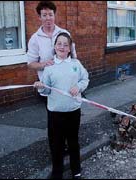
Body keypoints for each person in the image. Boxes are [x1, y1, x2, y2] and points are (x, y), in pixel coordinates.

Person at [34, 32, 89, 179]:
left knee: (73, 142)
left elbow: (85, 79)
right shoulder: (50, 67)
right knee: (56, 144)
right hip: (55, 113)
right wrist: (40, 86)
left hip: (73, 111)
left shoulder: (76, 64)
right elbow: (45, 90)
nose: (62, 47)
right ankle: (57, 172)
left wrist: (78, 87)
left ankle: (76, 170)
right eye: (59, 44)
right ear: (54, 46)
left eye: (66, 44)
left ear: (70, 48)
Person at [27, 1, 76, 157]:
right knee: (54, 121)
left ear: (54, 15)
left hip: (66, 85)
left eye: (50, 14)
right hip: (48, 87)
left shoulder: (64, 33)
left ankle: (68, 145)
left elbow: (74, 58)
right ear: (40, 17)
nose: (48, 18)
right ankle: (56, 150)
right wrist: (43, 64)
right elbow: (31, 64)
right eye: (44, 15)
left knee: (69, 116)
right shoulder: (35, 38)